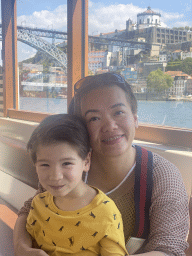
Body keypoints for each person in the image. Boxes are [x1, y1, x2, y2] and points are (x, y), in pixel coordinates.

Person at [14, 72, 189, 256]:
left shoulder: (162, 175)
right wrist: (21, 248)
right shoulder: (71, 166)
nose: (110, 125)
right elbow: (29, 209)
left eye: (118, 112)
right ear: (80, 129)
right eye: (94, 118)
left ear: (135, 117)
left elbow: (170, 250)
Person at [24, 114, 128, 256]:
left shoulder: (106, 212)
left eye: (66, 163)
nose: (55, 176)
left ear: (86, 162)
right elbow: (29, 244)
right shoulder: (38, 203)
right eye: (45, 164)